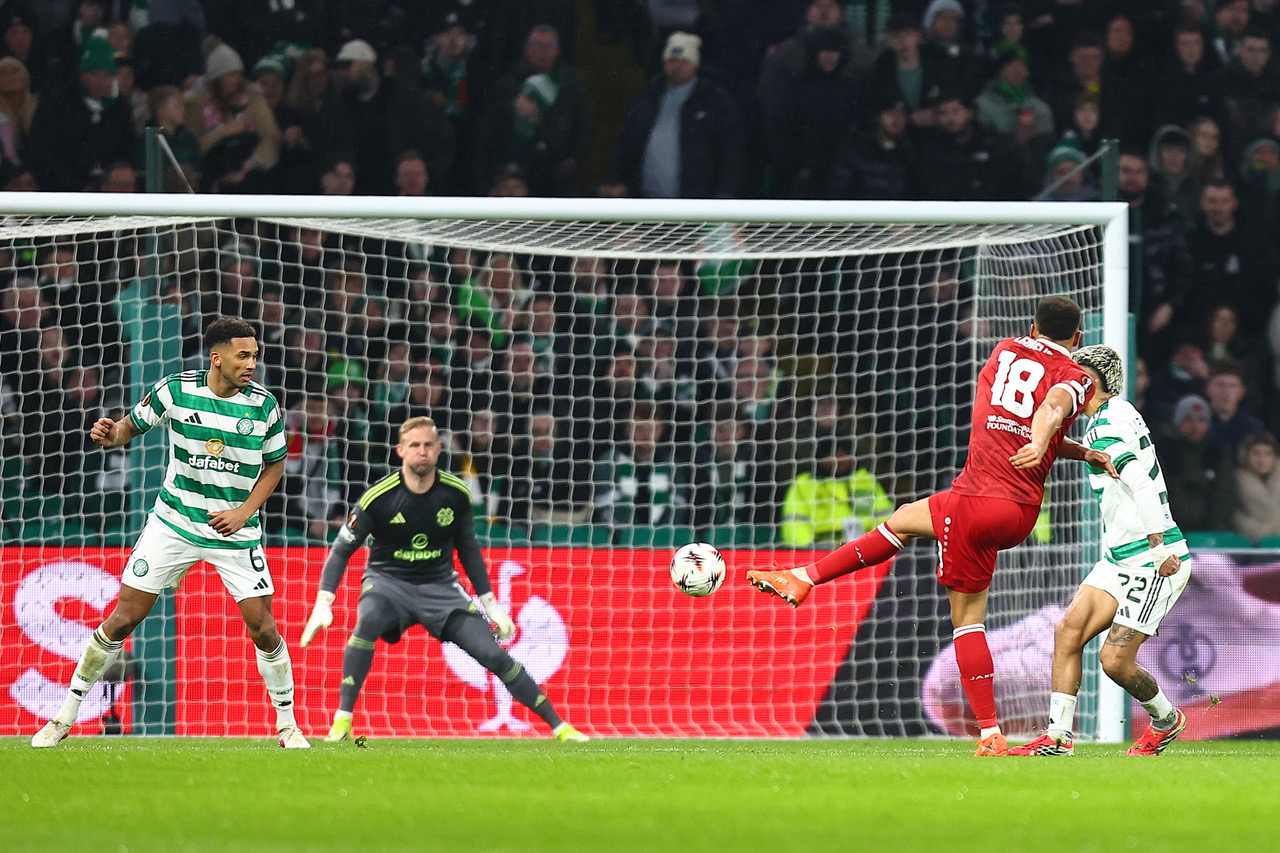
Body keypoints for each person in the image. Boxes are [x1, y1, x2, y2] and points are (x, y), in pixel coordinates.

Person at [747, 295, 1114, 757]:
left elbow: (1048, 412)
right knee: (903, 519)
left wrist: (1040, 440)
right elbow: (1050, 414)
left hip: (976, 503)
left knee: (967, 623)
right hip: (1017, 512)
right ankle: (804, 577)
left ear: (1033, 327)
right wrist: (1081, 451)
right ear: (1077, 338)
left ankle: (989, 733)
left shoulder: (1005, 351)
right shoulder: (1078, 375)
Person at [31, 318, 309, 749]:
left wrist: (244, 512)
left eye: (254, 356)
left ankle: (288, 727)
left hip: (234, 530)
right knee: (124, 619)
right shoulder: (175, 390)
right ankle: (63, 718)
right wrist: (110, 434)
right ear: (217, 358)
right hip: (174, 523)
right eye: (243, 355)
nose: (251, 363)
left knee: (263, 628)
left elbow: (275, 465)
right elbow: (128, 427)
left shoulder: (264, 405)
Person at [299, 416, 588, 743]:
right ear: (400, 451)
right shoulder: (377, 497)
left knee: (493, 654)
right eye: (414, 445)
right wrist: (324, 600)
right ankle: (342, 719)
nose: (422, 451)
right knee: (368, 619)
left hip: (441, 588)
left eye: (428, 445)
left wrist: (491, 605)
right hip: (388, 583)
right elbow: (341, 550)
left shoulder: (455, 493)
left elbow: (469, 549)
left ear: (438, 450)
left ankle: (560, 727)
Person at [1009, 345, 1190, 757]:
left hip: (1151, 559)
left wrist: (1157, 547)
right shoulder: (1115, 414)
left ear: (1090, 380)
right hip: (1117, 558)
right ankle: (1057, 737)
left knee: (1114, 661)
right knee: (1068, 632)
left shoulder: (1107, 425)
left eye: (1074, 377)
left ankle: (1166, 720)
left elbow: (1140, 482)